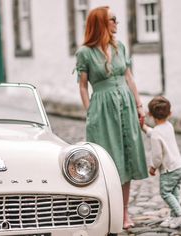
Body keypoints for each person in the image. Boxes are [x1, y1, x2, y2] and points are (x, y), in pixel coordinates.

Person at [75, 6, 148, 229]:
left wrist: (139, 105)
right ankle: (106, 212)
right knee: (108, 160)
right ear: (100, 23)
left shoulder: (120, 46)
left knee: (126, 159)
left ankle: (124, 213)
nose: (117, 23)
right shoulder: (85, 52)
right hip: (103, 109)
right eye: (112, 19)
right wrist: (90, 113)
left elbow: (129, 77)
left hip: (125, 104)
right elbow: (83, 87)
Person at [142, 96, 181, 229]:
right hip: (178, 166)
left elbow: (157, 156)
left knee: (165, 193)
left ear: (151, 115)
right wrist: (145, 128)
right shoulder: (169, 126)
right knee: (175, 192)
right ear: (169, 114)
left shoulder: (156, 133)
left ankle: (179, 215)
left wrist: (153, 167)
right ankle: (175, 217)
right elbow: (157, 134)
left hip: (168, 169)